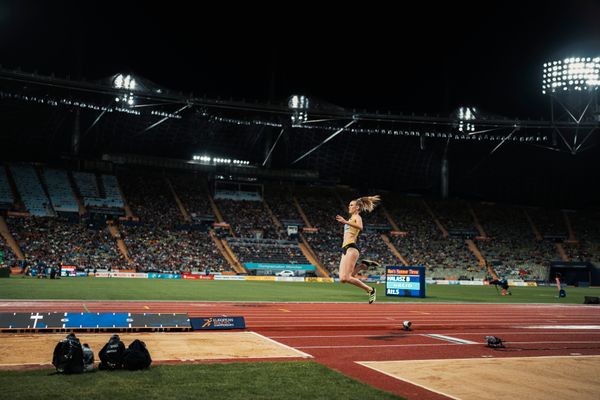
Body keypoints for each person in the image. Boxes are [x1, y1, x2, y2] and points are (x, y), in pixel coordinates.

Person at [335, 195, 380, 303]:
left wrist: (345, 222)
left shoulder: (357, 217)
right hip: (344, 249)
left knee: (348, 277)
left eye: (351, 205)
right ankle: (362, 266)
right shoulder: (351, 218)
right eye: (349, 205)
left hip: (351, 248)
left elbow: (360, 227)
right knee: (343, 279)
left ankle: (371, 290)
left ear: (357, 208)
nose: (349, 207)